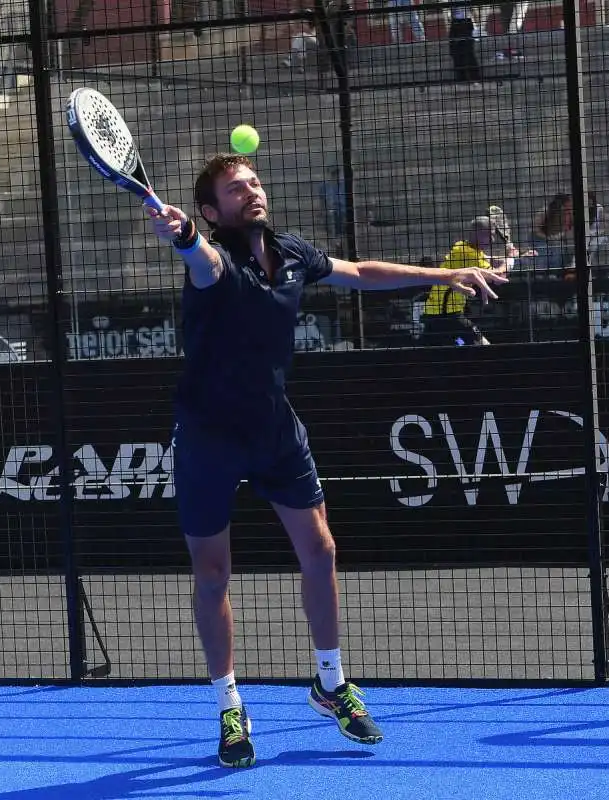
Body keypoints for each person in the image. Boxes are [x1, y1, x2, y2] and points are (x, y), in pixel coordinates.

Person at [144, 154, 505, 768]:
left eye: (254, 183)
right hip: (208, 434)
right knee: (212, 573)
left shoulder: (290, 253)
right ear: (211, 211)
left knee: (321, 549)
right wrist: (183, 235)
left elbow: (360, 271)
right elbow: (199, 260)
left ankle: (330, 683)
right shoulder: (215, 260)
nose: (252, 192)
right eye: (236, 189)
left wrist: (443, 276)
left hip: (274, 427)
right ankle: (229, 702)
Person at [421, 215, 515, 346]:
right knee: (482, 344)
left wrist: (516, 255)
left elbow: (487, 258)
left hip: (437, 314)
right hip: (447, 315)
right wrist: (511, 258)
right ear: (478, 234)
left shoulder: (462, 246)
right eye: (490, 235)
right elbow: (499, 277)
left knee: (458, 343)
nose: (493, 239)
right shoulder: (469, 254)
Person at [448, 7, 482, 85]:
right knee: (455, 51)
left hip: (466, 22)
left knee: (469, 51)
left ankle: (475, 77)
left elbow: (473, 9)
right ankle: (461, 78)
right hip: (455, 23)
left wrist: (477, 25)